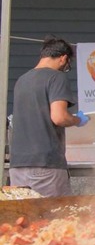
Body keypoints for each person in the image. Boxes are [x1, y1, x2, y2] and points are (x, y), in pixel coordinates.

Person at [9, 36, 90, 197]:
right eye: (67, 66)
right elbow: (59, 117)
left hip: (17, 166)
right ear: (63, 58)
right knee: (55, 217)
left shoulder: (22, 80)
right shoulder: (56, 77)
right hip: (45, 165)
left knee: (22, 218)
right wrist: (77, 120)